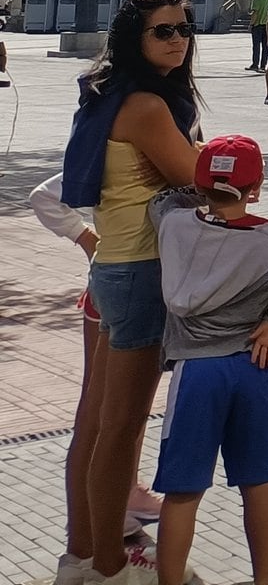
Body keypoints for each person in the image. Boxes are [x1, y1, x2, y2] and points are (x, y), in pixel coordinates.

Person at [67, 0, 203, 585]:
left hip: (108, 272)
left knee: (96, 423)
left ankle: (82, 554)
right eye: (163, 31)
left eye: (183, 28)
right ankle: (109, 565)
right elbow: (205, 179)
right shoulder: (147, 106)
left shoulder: (105, 94)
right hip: (142, 272)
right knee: (122, 427)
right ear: (135, 40)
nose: (178, 39)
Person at [151, 136, 268, 585]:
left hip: (196, 372)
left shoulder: (173, 225)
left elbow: (166, 198)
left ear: (200, 183)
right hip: (253, 366)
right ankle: (264, 579)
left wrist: (202, 181)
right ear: (258, 186)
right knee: (258, 482)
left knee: (183, 489)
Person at [33, 173, 163, 585]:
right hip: (123, 289)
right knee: (108, 417)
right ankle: (93, 557)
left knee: (118, 418)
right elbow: (44, 196)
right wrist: (88, 239)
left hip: (127, 287)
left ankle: (101, 537)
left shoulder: (125, 131)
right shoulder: (120, 137)